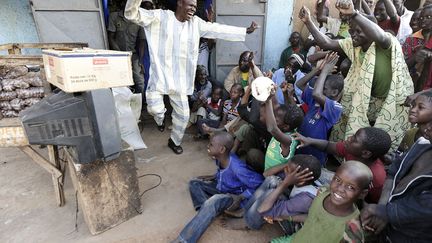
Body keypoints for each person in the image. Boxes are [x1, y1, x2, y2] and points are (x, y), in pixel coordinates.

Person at [125, 0, 258, 154]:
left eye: (195, 7)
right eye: (190, 5)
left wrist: (245, 31)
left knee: (183, 116)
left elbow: (218, 29)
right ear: (180, 3)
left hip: (181, 82)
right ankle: (160, 119)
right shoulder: (160, 17)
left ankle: (173, 141)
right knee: (156, 109)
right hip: (160, 78)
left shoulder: (196, 24)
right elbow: (131, 14)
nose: (193, 9)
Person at [299, 1, 413, 150]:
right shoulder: (352, 44)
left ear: (371, 32)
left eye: (359, 31)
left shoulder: (385, 44)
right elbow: (327, 42)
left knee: (382, 143)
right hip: (367, 100)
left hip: (391, 102)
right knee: (359, 139)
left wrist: (354, 13)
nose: (353, 34)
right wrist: (308, 22)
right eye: (352, 31)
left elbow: (380, 35)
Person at [173, 132, 264, 243]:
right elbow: (221, 171)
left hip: (233, 197)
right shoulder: (220, 157)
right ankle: (206, 210)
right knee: (194, 183)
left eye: (211, 144)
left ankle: (183, 240)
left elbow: (260, 183)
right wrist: (214, 176)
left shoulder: (237, 168)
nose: (207, 146)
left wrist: (241, 197)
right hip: (222, 188)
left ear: (221, 149)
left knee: (214, 201)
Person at [360, 120, 432, 243]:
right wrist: (382, 208)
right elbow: (394, 172)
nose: (428, 127)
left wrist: (388, 212)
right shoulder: (421, 145)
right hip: (386, 226)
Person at [271, 161, 372, 243]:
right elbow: (314, 217)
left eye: (350, 187)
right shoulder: (323, 192)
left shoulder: (352, 231)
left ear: (363, 193)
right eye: (337, 180)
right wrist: (288, 217)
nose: (340, 189)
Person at [221, 155, 319, 232]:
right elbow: (266, 174)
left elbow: (263, 210)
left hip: (294, 224)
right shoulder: (300, 181)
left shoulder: (305, 199)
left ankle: (248, 222)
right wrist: (287, 165)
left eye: (288, 170)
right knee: (272, 180)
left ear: (301, 180)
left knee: (271, 193)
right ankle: (246, 210)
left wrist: (284, 183)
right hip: (291, 206)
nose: (285, 170)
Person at [294, 127, 392, 203]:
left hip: (350, 200)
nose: (349, 138)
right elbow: (328, 146)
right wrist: (309, 140)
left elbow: (373, 201)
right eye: (353, 135)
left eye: (354, 139)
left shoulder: (377, 177)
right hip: (341, 183)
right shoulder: (351, 149)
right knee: (306, 169)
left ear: (365, 153)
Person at [295, 52, 344, 165]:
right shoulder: (315, 100)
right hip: (301, 147)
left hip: (315, 154)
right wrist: (318, 70)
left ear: (334, 92)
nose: (319, 89)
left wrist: (325, 71)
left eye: (324, 88)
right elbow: (299, 84)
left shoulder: (335, 107)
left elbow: (317, 93)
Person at [108, 1, 146, 94]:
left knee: (140, 82)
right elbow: (110, 37)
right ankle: (125, 104)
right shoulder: (114, 17)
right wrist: (120, 56)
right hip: (117, 55)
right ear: (122, 4)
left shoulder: (139, 20)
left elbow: (142, 41)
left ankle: (140, 104)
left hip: (133, 55)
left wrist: (140, 61)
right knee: (123, 82)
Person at [263, 92, 304, 175]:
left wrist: (268, 101)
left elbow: (272, 129)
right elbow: (280, 108)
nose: (273, 120)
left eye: (276, 120)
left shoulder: (288, 140)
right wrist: (273, 92)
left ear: (285, 127)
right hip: (268, 169)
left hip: (275, 178)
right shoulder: (289, 125)